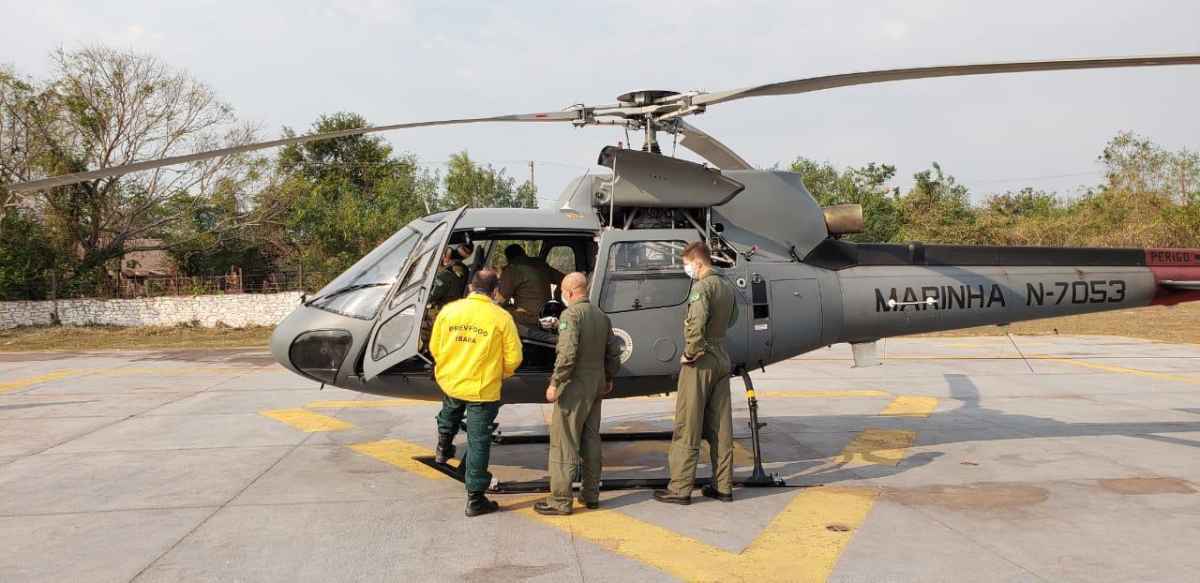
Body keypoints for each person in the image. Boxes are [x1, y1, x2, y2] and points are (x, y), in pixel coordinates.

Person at [429, 268, 523, 517]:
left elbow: (434, 346)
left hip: (451, 380)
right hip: (482, 388)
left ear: (471, 287)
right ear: (495, 292)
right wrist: (498, 373)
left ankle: (443, 447)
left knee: (449, 409)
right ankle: (475, 498)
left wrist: (450, 366)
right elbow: (514, 358)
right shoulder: (500, 317)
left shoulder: (449, 311)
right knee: (479, 441)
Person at [654, 242, 739, 505]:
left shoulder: (702, 288)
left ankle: (680, 488)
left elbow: (696, 323)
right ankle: (723, 486)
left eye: (687, 264)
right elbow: (732, 318)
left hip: (700, 362)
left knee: (687, 425)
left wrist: (691, 352)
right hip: (722, 357)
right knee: (721, 427)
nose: (686, 269)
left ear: (698, 263)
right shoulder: (726, 285)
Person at [534, 273, 620, 516]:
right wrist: (609, 377)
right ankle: (591, 494)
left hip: (575, 384)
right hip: (596, 383)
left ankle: (560, 500)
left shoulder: (570, 315)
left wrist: (555, 382)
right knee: (591, 439)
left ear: (569, 292)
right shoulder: (601, 316)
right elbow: (613, 351)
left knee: (564, 441)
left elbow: (567, 354)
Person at [496, 244, 564, 327]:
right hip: (548, 314)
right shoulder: (541, 264)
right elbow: (565, 279)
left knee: (496, 310)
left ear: (508, 258)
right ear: (524, 253)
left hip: (529, 320)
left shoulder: (513, 269)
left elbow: (500, 300)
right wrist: (557, 300)